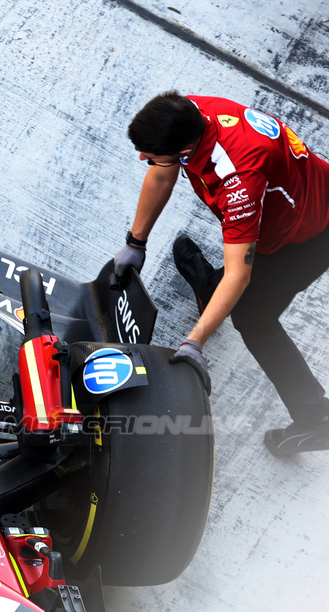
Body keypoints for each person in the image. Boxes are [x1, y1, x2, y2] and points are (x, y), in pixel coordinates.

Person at [113, 91, 329, 455]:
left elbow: (238, 275)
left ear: (185, 149)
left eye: (149, 152)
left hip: (309, 236)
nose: (141, 157)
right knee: (232, 288)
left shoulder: (239, 182)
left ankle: (316, 419)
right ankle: (209, 295)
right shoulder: (189, 112)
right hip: (294, 204)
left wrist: (194, 342)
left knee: (252, 317)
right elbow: (162, 173)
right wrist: (136, 242)